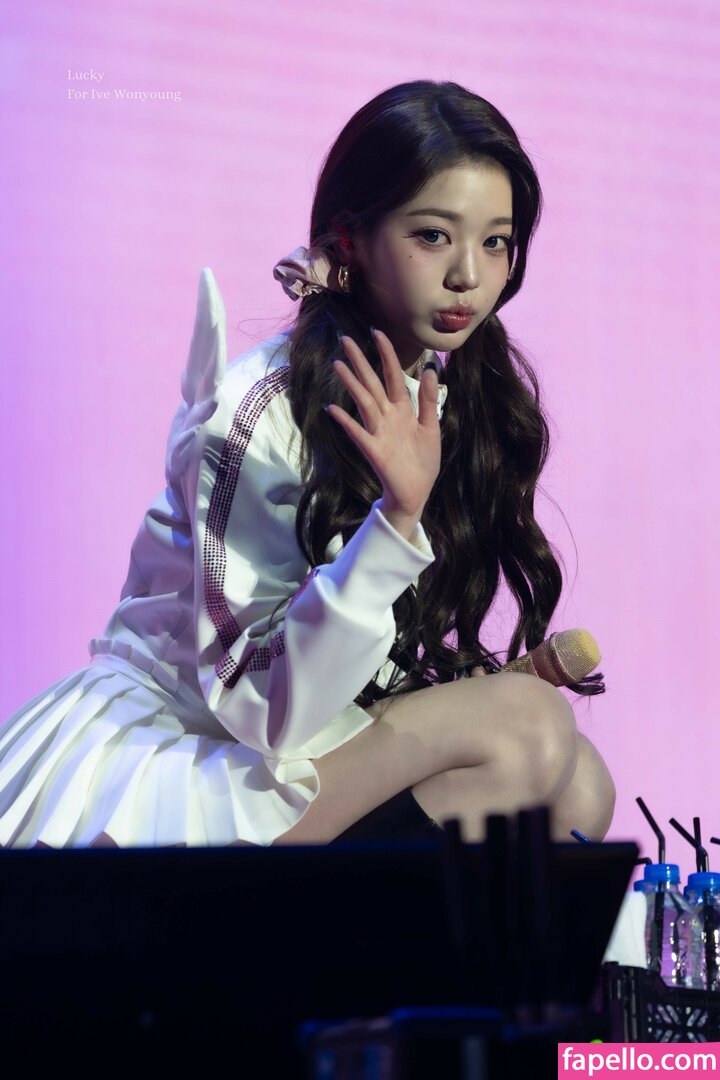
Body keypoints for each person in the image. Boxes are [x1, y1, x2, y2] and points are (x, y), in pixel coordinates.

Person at [0, 80, 615, 849]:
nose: (469, 274)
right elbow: (260, 706)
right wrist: (396, 520)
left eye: (496, 241)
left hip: (297, 741)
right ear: (350, 239)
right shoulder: (257, 413)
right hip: (191, 757)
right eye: (433, 236)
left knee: (581, 788)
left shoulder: (447, 392)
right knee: (528, 727)